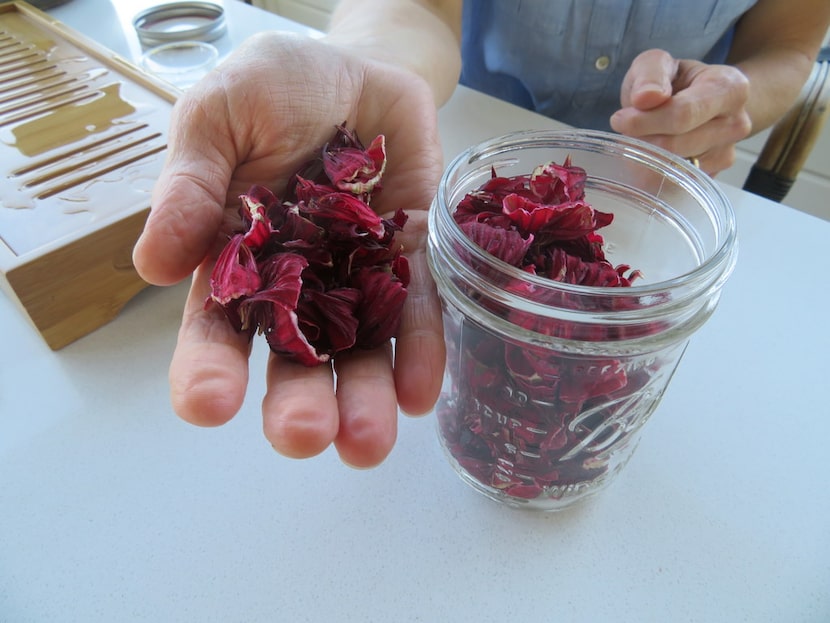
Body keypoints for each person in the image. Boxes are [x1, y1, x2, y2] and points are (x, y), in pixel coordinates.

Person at [132, 0, 830, 468]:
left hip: (668, 189)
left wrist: (734, 90)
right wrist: (369, 69)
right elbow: (412, 11)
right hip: (463, 151)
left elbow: (790, 45)